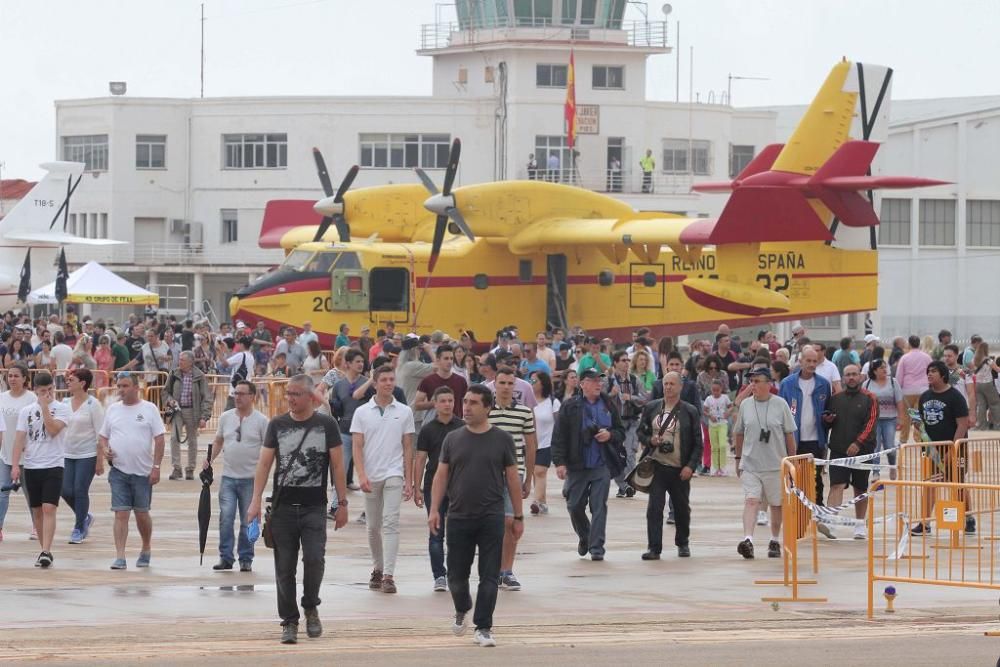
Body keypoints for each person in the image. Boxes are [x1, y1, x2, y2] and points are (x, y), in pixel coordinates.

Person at [247, 374, 347, 644]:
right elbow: (264, 464)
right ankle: (289, 621)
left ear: (311, 396)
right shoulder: (277, 425)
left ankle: (311, 605)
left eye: (295, 394)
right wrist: (255, 500)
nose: (289, 398)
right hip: (283, 509)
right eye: (288, 393)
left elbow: (338, 466)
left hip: (315, 507)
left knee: (315, 560)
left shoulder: (326, 425)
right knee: (284, 568)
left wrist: (342, 503)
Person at [428, 384, 521, 648]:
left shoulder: (502, 439)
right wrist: (434, 510)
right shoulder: (453, 439)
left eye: (473, 403)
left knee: (489, 575)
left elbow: (512, 479)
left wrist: (518, 516)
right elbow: (441, 475)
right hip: (458, 516)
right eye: (465, 402)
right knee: (456, 576)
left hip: (491, 516)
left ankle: (483, 627)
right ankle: (462, 606)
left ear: (487, 408)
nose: (466, 407)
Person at [351, 365, 415, 595]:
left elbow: (408, 447)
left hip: (394, 472)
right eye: (384, 380)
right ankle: (377, 568)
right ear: (375, 383)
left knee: (390, 523)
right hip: (370, 474)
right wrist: (361, 474)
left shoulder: (404, 411)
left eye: (392, 379)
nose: (389, 383)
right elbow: (357, 446)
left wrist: (409, 479)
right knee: (373, 527)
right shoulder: (362, 412)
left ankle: (388, 574)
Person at [550, 368, 625, 561]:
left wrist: (610, 435)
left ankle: (597, 547)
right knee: (574, 505)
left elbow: (620, 431)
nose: (598, 384)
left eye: (599, 380)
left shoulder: (608, 403)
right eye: (592, 381)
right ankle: (585, 536)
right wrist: (559, 462)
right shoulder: (570, 406)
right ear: (582, 384)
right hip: (577, 465)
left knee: (599, 506)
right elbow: (559, 436)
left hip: (601, 464)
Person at [100, 373, 166, 570]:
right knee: (121, 513)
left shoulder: (149, 409)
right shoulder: (112, 410)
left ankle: (146, 547)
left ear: (136, 387)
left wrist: (156, 467)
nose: (121, 389)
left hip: (143, 473)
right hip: (119, 471)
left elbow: (160, 439)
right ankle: (120, 556)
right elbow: (103, 436)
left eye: (125, 385)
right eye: (119, 385)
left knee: (141, 514)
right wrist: (105, 450)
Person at [634, 371, 702, 560]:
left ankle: (683, 542)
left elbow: (698, 443)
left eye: (672, 384)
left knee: (681, 508)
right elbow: (641, 432)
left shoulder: (690, 411)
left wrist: (690, 466)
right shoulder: (652, 407)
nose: (668, 387)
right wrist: (650, 440)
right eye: (665, 383)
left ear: (680, 387)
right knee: (654, 508)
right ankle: (654, 548)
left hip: (680, 468)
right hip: (657, 466)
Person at [204, 380, 268, 572]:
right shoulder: (225, 417)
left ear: (252, 397)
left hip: (251, 479)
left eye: (241, 394)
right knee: (226, 517)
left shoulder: (262, 421)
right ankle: (226, 557)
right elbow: (218, 440)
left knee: (248, 520)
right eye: (235, 393)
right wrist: (210, 459)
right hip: (229, 478)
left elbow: (268, 449)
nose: (237, 397)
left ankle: (246, 558)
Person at [734, 367, 797, 559]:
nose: (753, 385)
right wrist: (738, 459)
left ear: (768, 383)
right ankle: (748, 540)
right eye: (751, 381)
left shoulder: (781, 404)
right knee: (751, 500)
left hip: (775, 464)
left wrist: (791, 463)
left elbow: (789, 435)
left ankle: (774, 540)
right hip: (751, 464)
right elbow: (739, 433)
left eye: (757, 381)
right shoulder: (746, 405)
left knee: (776, 504)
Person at [10, 372, 71, 567]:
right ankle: (42, 548)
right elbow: (19, 438)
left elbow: (53, 431)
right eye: (43, 391)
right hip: (32, 464)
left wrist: (45, 407)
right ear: (35, 390)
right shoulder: (26, 411)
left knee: (49, 507)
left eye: (50, 390)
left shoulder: (62, 408)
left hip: (54, 464)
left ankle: (47, 550)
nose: (47, 394)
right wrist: (14, 465)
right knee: (36, 510)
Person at [488, 367, 537, 587]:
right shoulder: (485, 411)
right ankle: (492, 567)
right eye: (503, 383)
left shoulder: (525, 413)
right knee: (489, 523)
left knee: (511, 520)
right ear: (495, 385)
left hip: (514, 474)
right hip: (487, 475)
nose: (506, 387)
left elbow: (530, 445)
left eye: (510, 383)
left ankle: (506, 570)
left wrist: (528, 478)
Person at [413, 386, 464, 592]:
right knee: (436, 532)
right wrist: (416, 487)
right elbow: (420, 458)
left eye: (450, 400)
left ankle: (455, 573)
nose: (447, 404)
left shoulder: (462, 427)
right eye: (442, 401)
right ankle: (439, 575)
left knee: (458, 532)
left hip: (459, 486)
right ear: (435, 404)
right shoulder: (427, 429)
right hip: (433, 486)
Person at [913, 361, 971, 535]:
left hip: (954, 448)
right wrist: (917, 427)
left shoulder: (955, 397)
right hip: (931, 451)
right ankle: (925, 523)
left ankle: (968, 518)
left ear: (943, 375)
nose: (929, 374)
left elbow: (962, 424)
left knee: (957, 484)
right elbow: (922, 422)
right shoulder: (924, 396)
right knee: (930, 485)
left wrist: (952, 449)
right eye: (928, 371)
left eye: (934, 371)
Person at [823, 365, 878, 539]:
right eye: (848, 375)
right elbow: (828, 422)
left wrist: (858, 442)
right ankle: (831, 522)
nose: (851, 378)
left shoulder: (870, 397)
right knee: (836, 485)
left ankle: (860, 525)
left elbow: (871, 423)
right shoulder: (835, 398)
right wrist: (827, 420)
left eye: (854, 374)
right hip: (839, 449)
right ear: (843, 378)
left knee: (860, 488)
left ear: (861, 377)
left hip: (863, 451)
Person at [778, 347, 831, 517]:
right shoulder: (787, 383)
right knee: (794, 477)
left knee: (815, 478)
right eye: (808, 361)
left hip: (816, 439)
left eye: (815, 361)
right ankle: (797, 511)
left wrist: (828, 419)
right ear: (800, 361)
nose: (811, 364)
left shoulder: (823, 384)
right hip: (794, 439)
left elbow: (826, 409)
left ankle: (818, 511)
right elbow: (780, 411)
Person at [60, 369, 105, 544]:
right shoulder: (63, 403)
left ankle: (79, 528)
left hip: (87, 454)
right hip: (67, 453)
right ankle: (85, 516)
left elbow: (100, 434)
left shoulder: (93, 405)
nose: (68, 382)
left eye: (72, 380)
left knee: (79, 489)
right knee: (64, 490)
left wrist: (100, 460)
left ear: (83, 383)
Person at [163, 351, 213, 481]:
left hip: (193, 411)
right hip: (177, 411)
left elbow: (207, 397)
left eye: (182, 360)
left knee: (192, 440)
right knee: (174, 437)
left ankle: (190, 468)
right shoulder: (174, 373)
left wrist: (204, 416)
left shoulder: (199, 376)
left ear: (191, 362)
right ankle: (176, 468)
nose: (179, 362)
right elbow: (165, 392)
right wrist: (170, 400)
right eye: (179, 359)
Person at [0, 364, 36, 541]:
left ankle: (37, 526)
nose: (12, 379)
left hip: (27, 456)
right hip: (5, 454)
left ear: (24, 378)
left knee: (30, 493)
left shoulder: (32, 399)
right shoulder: (2, 398)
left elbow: (36, 425)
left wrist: (28, 445)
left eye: (16, 376)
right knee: (2, 492)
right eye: (10, 375)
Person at [607, 350, 644, 497]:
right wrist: (611, 394)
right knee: (615, 456)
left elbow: (645, 398)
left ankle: (627, 484)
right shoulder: (607, 379)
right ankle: (624, 485)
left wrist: (632, 398)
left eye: (627, 360)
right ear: (615, 363)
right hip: (615, 423)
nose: (626, 363)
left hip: (632, 421)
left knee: (630, 455)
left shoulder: (635, 380)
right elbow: (598, 397)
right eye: (623, 360)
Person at [863, 358, 905, 481]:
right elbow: (864, 403)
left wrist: (901, 418)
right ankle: (876, 472)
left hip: (890, 419)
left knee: (889, 446)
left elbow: (899, 401)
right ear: (874, 371)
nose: (884, 370)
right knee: (875, 447)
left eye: (885, 367)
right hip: (873, 421)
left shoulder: (893, 382)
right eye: (881, 367)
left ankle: (892, 466)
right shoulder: (867, 384)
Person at [529, 372, 560, 516]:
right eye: (531, 379)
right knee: (536, 474)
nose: (532, 382)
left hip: (547, 443)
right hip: (529, 443)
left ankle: (535, 502)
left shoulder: (553, 402)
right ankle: (542, 502)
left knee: (539, 471)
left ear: (543, 383)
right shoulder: (526, 401)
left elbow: (560, 424)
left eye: (535, 380)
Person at [413, 344, 468, 423]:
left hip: (456, 426)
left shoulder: (461, 381)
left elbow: (465, 402)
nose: (449, 361)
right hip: (435, 427)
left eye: (451, 358)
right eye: (446, 358)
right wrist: (435, 403)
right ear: (438, 360)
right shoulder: (428, 381)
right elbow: (417, 405)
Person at [895, 335, 933, 440]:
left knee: (906, 416)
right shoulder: (926, 357)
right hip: (923, 390)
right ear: (919, 343)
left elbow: (899, 376)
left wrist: (898, 390)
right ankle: (918, 438)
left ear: (909, 344)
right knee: (919, 415)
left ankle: (903, 438)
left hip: (907, 390)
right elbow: (932, 370)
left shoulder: (904, 358)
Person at [703, 379, 733, 475]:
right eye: (713, 390)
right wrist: (709, 416)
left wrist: (728, 412)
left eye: (717, 390)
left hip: (722, 424)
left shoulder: (725, 398)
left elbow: (731, 406)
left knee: (722, 445)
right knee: (714, 447)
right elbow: (704, 410)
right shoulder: (708, 399)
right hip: (712, 425)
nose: (715, 392)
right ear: (711, 389)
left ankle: (723, 467)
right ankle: (715, 467)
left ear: (721, 389)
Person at [971, 341, 1000, 430]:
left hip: (978, 385)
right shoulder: (989, 360)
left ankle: (981, 425)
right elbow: (997, 369)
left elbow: (973, 371)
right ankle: (997, 425)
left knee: (981, 405)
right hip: (988, 384)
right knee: (995, 404)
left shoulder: (974, 360)